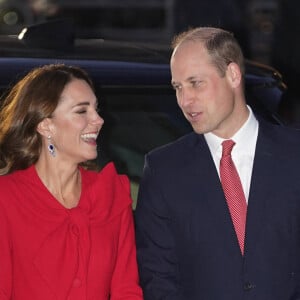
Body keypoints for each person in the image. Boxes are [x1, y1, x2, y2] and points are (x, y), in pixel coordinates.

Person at [135, 27, 300, 299]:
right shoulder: (164, 170)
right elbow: (159, 278)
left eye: (195, 83)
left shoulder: (294, 155)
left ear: (233, 75)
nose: (185, 100)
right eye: (177, 87)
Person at [0, 64, 143, 300]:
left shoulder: (111, 194)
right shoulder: (7, 198)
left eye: (96, 109)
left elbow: (126, 290)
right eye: (81, 111)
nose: (98, 120)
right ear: (46, 125)